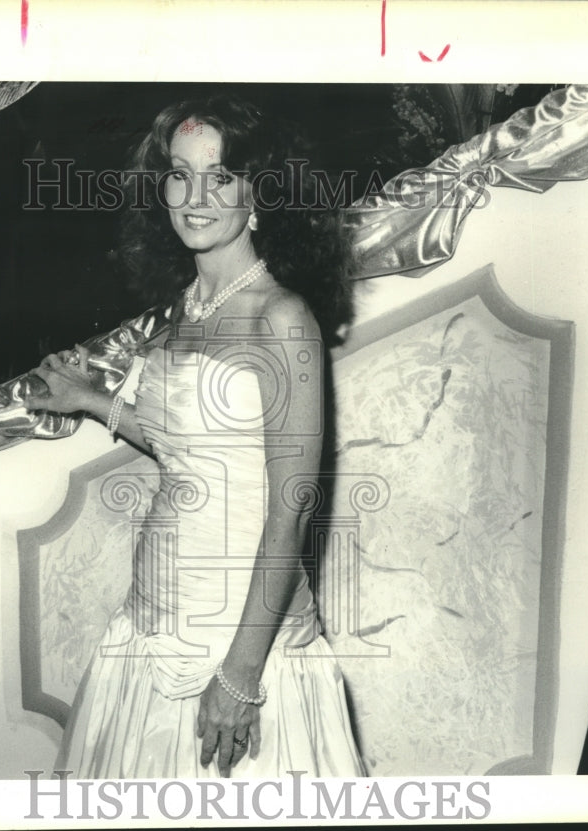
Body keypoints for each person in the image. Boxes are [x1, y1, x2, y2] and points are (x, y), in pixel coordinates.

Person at [24, 94, 364, 778]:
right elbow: (190, 448)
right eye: (180, 173)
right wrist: (89, 399)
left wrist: (240, 675)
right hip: (149, 615)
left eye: (221, 175)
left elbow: (290, 505)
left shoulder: (283, 318)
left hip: (236, 636)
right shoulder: (182, 311)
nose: (195, 195)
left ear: (258, 193)